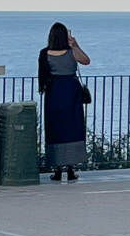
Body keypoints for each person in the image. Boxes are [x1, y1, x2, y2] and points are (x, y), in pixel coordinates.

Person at [37, 22, 90, 181]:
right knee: (72, 127)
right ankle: (71, 169)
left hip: (54, 92)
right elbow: (86, 61)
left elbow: (42, 74)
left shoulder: (44, 53)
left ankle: (57, 168)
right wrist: (75, 44)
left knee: (55, 128)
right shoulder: (72, 52)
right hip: (71, 92)